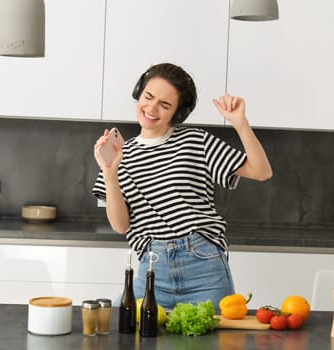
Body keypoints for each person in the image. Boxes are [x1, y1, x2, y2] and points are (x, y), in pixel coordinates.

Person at [92, 63, 272, 310]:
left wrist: (240, 122)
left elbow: (262, 171)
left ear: (177, 113)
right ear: (138, 94)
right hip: (152, 271)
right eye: (148, 97)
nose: (152, 108)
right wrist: (110, 174)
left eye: (165, 105)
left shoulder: (195, 140)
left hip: (203, 267)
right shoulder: (118, 155)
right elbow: (120, 225)